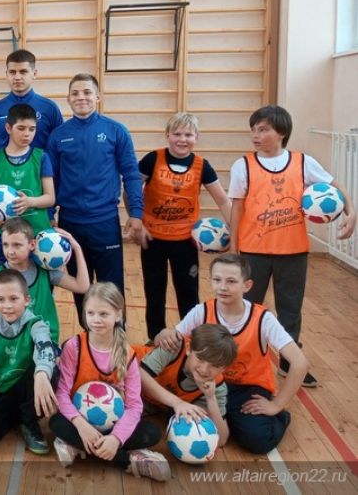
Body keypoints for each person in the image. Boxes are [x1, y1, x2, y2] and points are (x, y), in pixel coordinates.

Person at [228, 105, 355, 387]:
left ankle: (289, 362)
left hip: (293, 251)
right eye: (253, 130)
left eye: (263, 129)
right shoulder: (243, 166)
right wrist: (234, 249)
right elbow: (237, 208)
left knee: (290, 311)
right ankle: (244, 358)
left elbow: (337, 187)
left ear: (281, 132)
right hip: (253, 251)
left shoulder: (303, 163)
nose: (255, 135)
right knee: (248, 307)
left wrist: (351, 212)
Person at [154, 253, 309, 454]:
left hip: (246, 389)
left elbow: (300, 363)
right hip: (207, 383)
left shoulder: (263, 318)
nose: (223, 287)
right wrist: (163, 334)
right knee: (183, 420)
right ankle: (230, 420)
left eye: (231, 281)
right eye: (217, 280)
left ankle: (281, 418)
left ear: (247, 285)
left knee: (258, 440)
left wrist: (277, 404)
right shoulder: (201, 311)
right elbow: (170, 340)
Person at [45, 73, 144, 326]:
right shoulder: (57, 136)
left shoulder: (116, 131)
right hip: (70, 225)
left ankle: (117, 338)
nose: (81, 97)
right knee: (82, 289)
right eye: (75, 93)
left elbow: (131, 174)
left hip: (105, 223)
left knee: (112, 288)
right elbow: (50, 179)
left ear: (98, 97)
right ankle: (88, 341)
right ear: (68, 99)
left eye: (87, 92)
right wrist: (49, 215)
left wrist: (136, 213)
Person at [50, 283, 169, 481]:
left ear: (118, 315)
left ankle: (78, 446)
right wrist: (81, 425)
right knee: (56, 423)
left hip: (112, 424)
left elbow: (134, 406)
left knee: (152, 433)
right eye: (91, 313)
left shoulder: (127, 354)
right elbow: (62, 393)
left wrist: (115, 438)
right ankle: (129, 460)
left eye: (103, 314)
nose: (96, 320)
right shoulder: (74, 346)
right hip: (79, 419)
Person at [139, 112, 232, 341]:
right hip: (153, 240)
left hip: (185, 242)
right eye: (177, 134)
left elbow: (223, 201)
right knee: (154, 291)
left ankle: (192, 338)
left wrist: (236, 232)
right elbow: (131, 191)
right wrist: (137, 221)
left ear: (196, 137)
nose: (182, 139)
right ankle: (155, 338)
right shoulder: (152, 159)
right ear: (167, 135)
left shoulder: (202, 165)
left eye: (188, 135)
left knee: (188, 292)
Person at [0, 269, 57, 455]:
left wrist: (41, 373)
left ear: (26, 300)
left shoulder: (36, 325)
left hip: (26, 387)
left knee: (51, 373)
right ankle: (17, 417)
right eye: (1, 299)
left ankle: (28, 420)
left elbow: (46, 348)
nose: (7, 306)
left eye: (14, 299)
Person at [137, 323, 237, 447]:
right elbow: (140, 376)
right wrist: (177, 403)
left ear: (224, 368)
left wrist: (211, 398)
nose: (204, 369)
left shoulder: (216, 386)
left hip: (151, 403)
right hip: (123, 376)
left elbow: (221, 440)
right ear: (188, 349)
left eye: (215, 365)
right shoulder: (175, 346)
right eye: (200, 358)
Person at [0, 218, 90, 343]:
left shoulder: (45, 272)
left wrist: (77, 248)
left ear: (32, 245)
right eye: (5, 244)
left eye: (17, 245)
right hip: (16, 345)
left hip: (46, 342)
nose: (10, 251)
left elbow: (82, 286)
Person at [0, 103, 55, 269]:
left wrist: (30, 202)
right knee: (1, 276)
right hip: (2, 234)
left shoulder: (42, 157)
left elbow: (50, 198)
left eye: (32, 129)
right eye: (21, 128)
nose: (27, 134)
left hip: (35, 231)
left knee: (40, 277)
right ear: (8, 128)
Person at [0, 50, 63, 155]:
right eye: (12, 72)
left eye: (23, 72)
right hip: (4, 166)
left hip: (41, 166)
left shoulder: (50, 108)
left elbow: (59, 147)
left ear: (34, 73)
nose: (17, 77)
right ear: (6, 74)